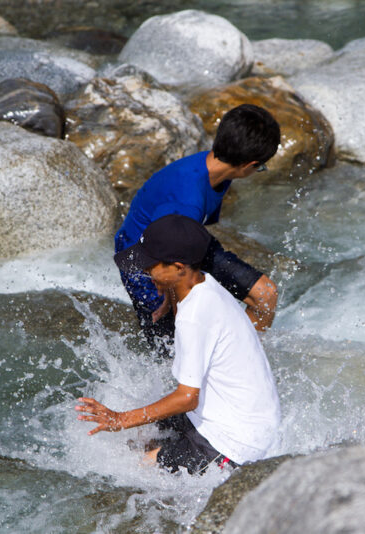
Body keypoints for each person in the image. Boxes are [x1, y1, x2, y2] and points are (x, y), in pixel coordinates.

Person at [78, 214, 281, 474]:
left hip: (237, 443)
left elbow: (187, 398)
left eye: (151, 265)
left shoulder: (194, 317)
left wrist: (120, 419)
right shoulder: (204, 283)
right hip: (243, 419)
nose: (144, 270)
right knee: (137, 439)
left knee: (138, 469)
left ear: (178, 267)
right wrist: (169, 292)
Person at [114, 104, 280, 351]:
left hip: (182, 239)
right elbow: (164, 253)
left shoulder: (216, 171)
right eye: (261, 167)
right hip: (146, 261)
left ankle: (236, 361)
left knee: (264, 295)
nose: (258, 171)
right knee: (180, 342)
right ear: (249, 164)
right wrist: (171, 299)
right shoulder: (188, 199)